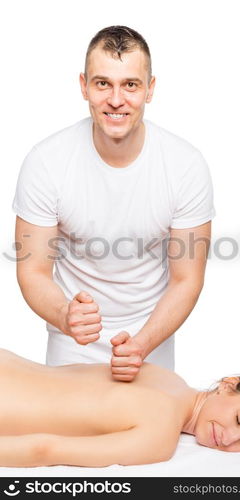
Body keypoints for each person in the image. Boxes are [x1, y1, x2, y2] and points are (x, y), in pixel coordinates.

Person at [12, 25, 215, 381]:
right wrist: (64, 315)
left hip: (151, 340)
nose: (116, 99)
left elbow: (187, 279)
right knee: (67, 433)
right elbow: (33, 271)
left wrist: (142, 344)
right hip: (72, 340)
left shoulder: (186, 165)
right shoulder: (46, 162)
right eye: (103, 83)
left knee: (150, 436)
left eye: (131, 85)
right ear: (84, 86)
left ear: (150, 89)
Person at [0, 346, 240, 467]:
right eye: (238, 419)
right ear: (228, 384)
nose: (230, 438)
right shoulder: (160, 436)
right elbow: (45, 450)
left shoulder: (164, 375)